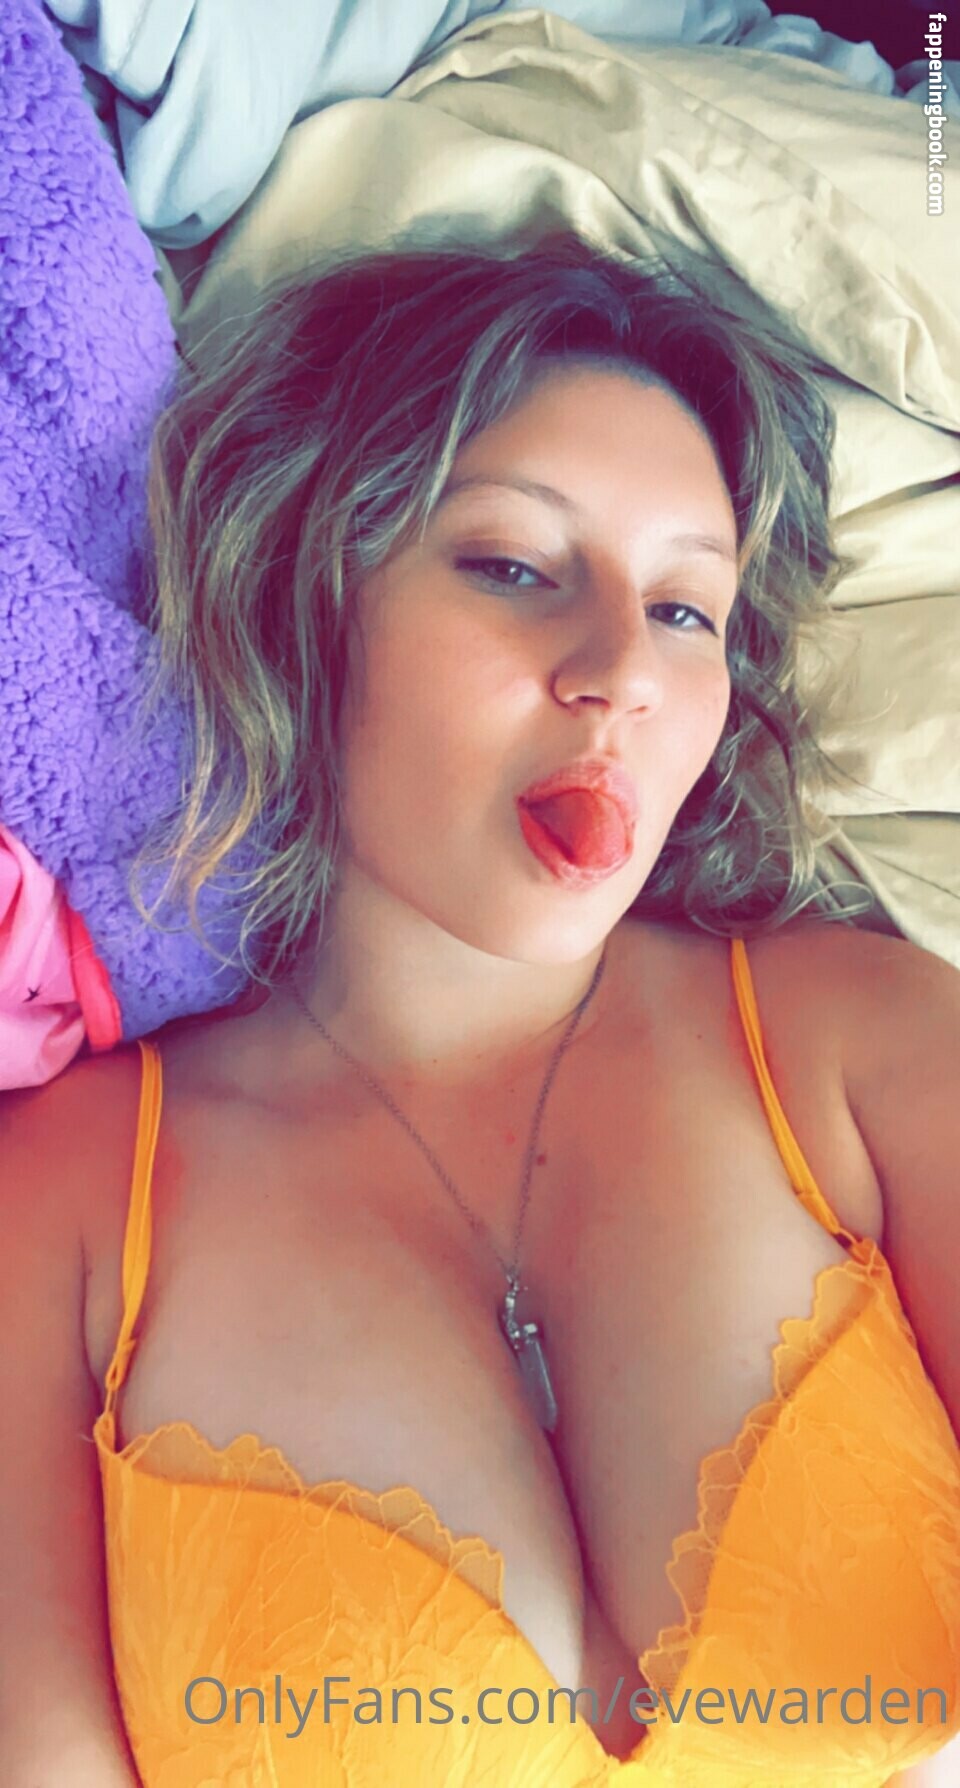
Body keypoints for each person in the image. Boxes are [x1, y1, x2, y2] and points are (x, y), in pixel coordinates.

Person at [1, 235, 958, 1787]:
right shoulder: (64, 1199)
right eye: (513, 566)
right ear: (314, 593)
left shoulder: (871, 1042)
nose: (620, 672)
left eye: (687, 610)